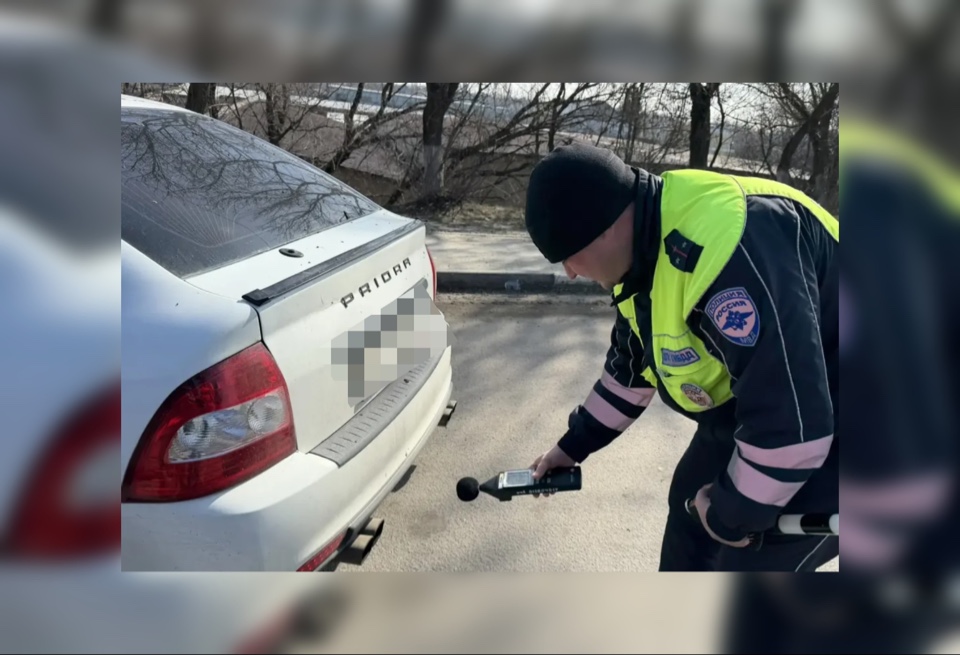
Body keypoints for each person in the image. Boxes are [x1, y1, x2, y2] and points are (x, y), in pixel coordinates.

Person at [522, 142, 839, 572]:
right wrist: (571, 447)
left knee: (751, 557)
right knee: (689, 513)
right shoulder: (642, 252)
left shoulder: (726, 251)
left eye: (569, 257)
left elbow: (793, 431)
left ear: (606, 228)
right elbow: (631, 372)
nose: (571, 273)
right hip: (772, 395)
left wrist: (732, 515)